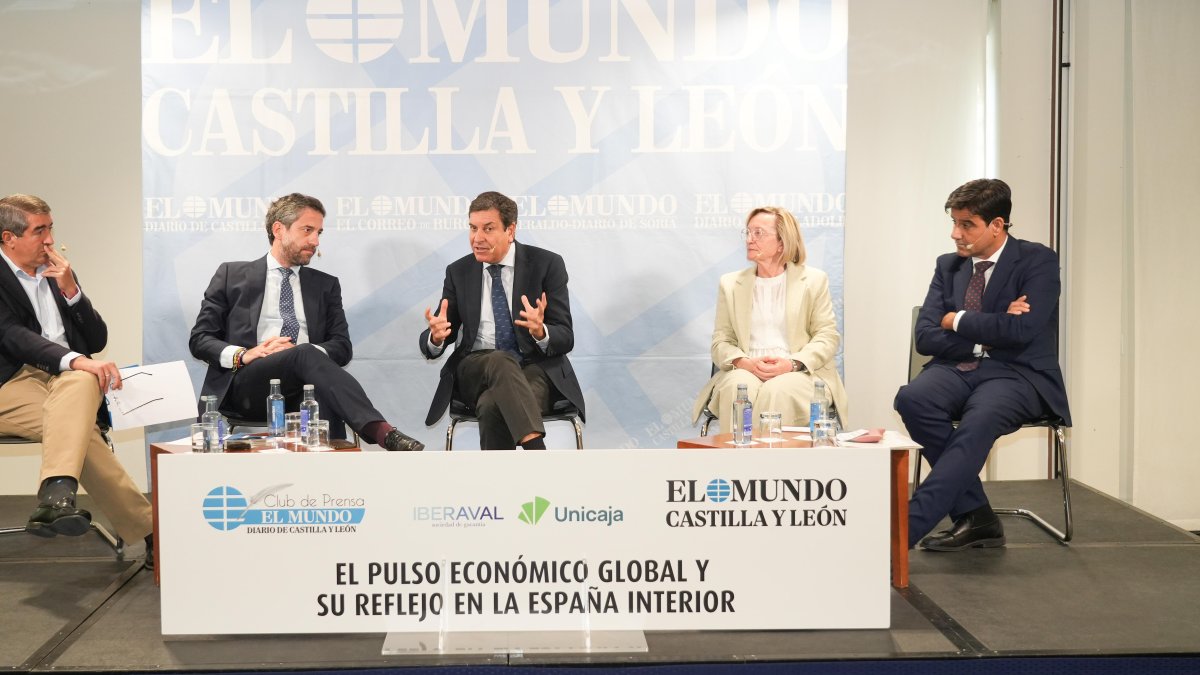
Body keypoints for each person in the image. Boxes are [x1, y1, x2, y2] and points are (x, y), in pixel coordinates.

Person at [895, 178, 1071, 551]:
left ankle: (900, 535)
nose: (955, 234)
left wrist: (955, 319)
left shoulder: (1037, 260)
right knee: (912, 399)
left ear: (997, 225)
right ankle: (977, 516)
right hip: (956, 367)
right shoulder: (948, 266)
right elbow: (925, 336)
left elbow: (1022, 329)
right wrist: (991, 327)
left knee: (979, 420)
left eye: (966, 225)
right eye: (954, 223)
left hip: (1017, 374)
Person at [190, 193, 424, 451]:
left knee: (315, 381)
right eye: (307, 230)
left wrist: (303, 353)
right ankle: (382, 432)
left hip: (304, 388)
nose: (315, 241)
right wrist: (244, 354)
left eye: (319, 233)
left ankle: (332, 473)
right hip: (247, 386)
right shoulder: (231, 275)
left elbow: (342, 347)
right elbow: (200, 339)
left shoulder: (325, 285)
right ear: (279, 230)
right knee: (306, 356)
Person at [0, 195, 153, 563]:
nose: (50, 240)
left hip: (65, 382)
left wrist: (72, 292)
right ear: (9, 238)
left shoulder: (58, 273)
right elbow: (11, 335)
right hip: (9, 383)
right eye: (40, 231)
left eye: (50, 228)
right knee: (78, 428)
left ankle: (56, 494)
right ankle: (152, 534)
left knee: (80, 388)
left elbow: (96, 339)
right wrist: (76, 360)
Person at [419, 191, 585, 450]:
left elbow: (565, 336)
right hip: (475, 369)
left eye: (488, 228)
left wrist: (541, 332)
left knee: (491, 405)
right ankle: (540, 458)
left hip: (533, 368)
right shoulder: (459, 272)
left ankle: (502, 478)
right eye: (473, 228)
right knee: (499, 359)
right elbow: (443, 326)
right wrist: (436, 337)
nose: (477, 238)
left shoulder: (546, 264)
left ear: (510, 230)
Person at [692, 206, 848, 433]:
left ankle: (765, 456)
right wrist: (744, 363)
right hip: (746, 369)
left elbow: (827, 336)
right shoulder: (730, 284)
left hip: (798, 372)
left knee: (776, 390)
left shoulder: (814, 280)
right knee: (737, 388)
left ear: (782, 242)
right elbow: (721, 342)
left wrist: (792, 363)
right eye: (748, 232)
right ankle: (736, 456)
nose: (749, 239)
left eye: (758, 233)